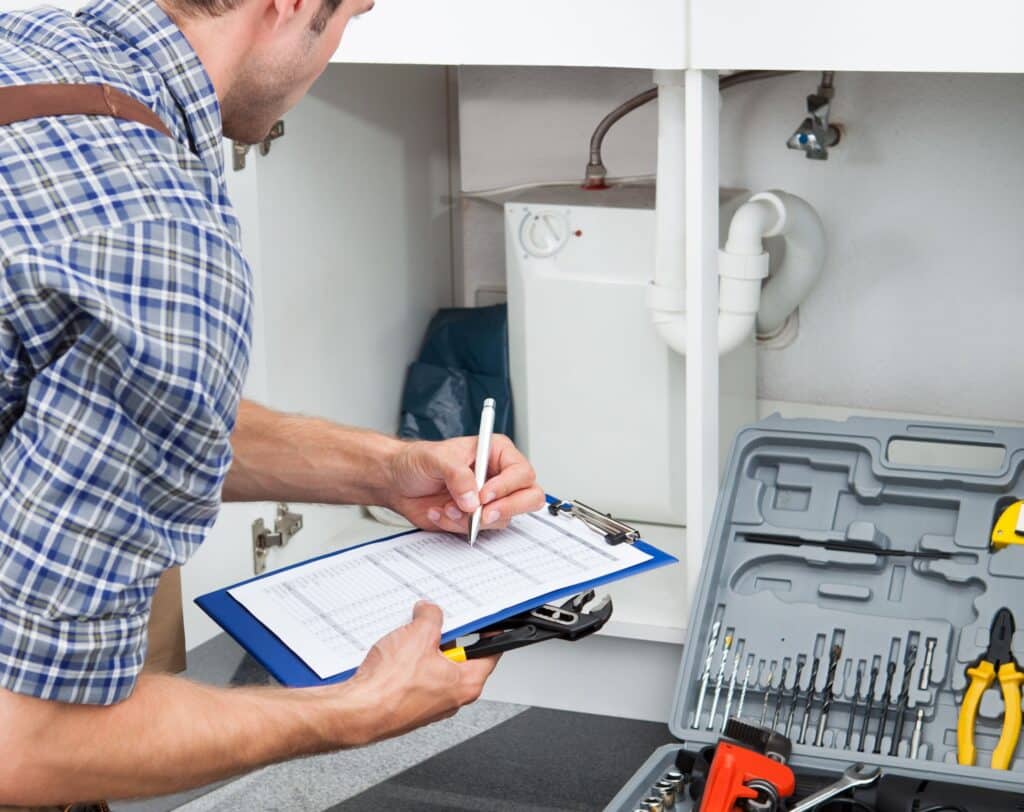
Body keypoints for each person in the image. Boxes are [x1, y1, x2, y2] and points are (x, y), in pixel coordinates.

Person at [0, 0, 545, 805]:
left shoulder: (28, 47)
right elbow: (25, 743)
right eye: (353, 12)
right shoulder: (160, 250)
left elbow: (99, 410)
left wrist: (386, 469)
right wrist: (353, 710)